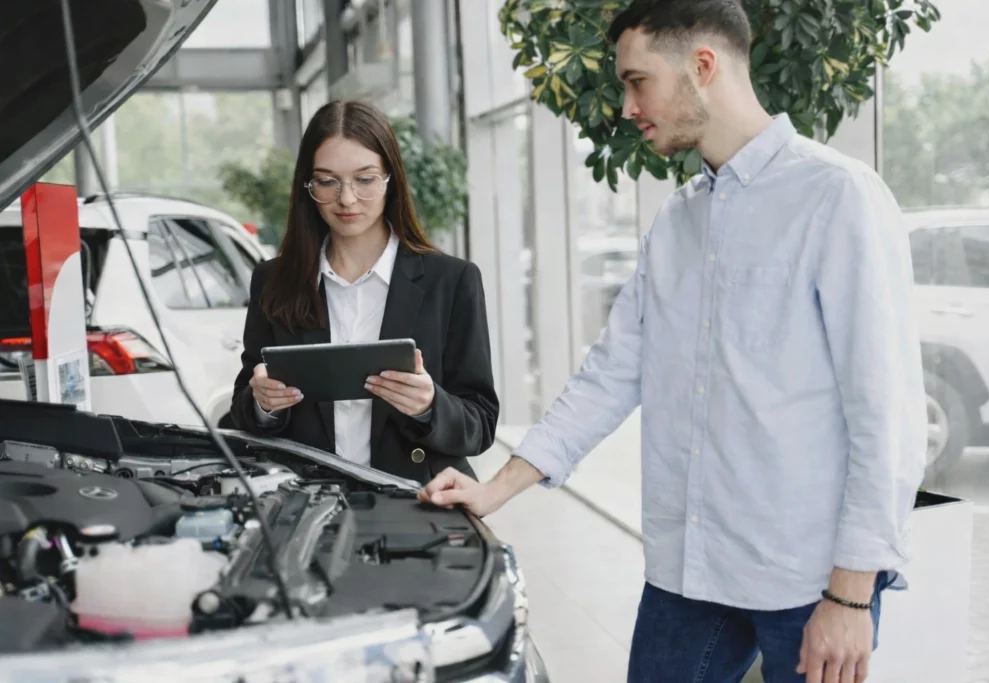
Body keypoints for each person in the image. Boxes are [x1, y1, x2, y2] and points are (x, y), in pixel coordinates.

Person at [418, 1, 927, 682]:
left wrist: (851, 591)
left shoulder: (837, 198)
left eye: (636, 80)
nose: (627, 105)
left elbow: (885, 413)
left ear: (703, 66)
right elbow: (611, 371)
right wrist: (497, 490)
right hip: (692, 569)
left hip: (809, 581)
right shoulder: (679, 219)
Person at [230, 100, 498, 485]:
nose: (347, 199)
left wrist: (429, 406)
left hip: (415, 500)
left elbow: (481, 423)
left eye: (365, 179)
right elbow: (244, 406)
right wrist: (263, 405)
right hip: (307, 501)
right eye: (327, 181)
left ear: (391, 179)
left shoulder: (451, 281)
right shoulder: (274, 281)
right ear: (308, 185)